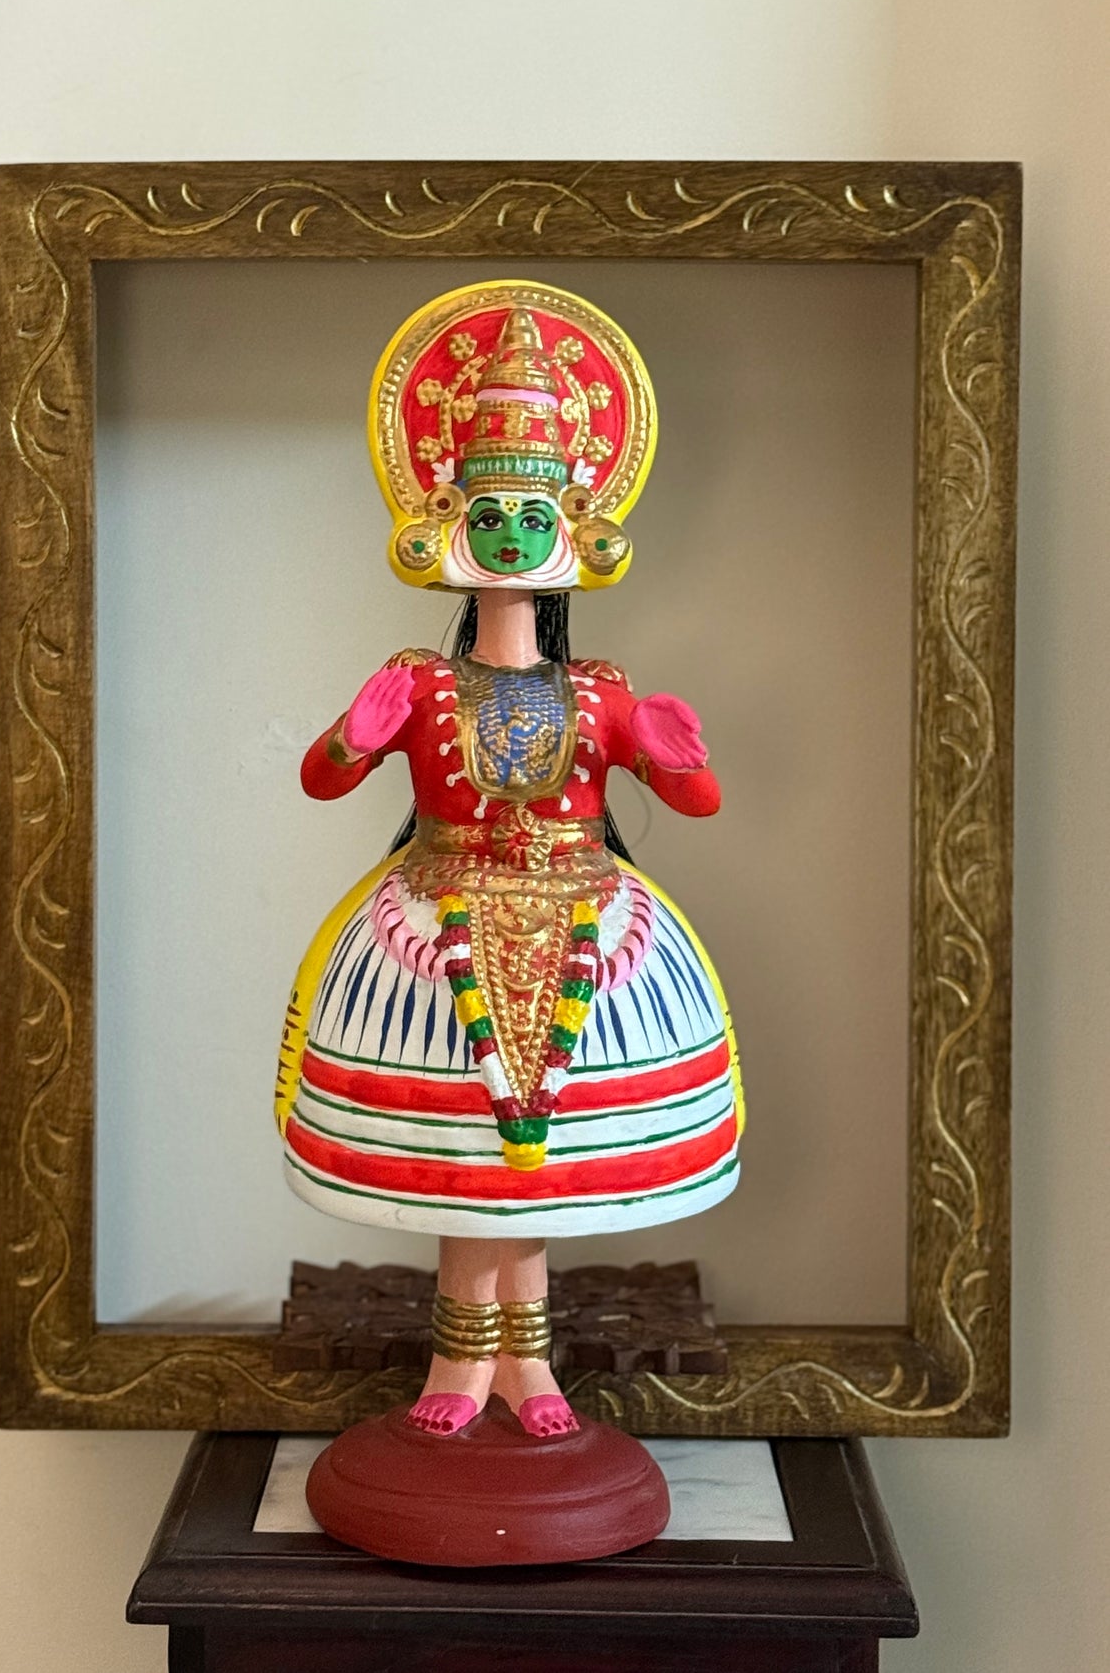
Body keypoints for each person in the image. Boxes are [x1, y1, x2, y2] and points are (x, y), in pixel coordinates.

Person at [276, 283, 742, 1438]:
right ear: (449, 529)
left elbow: (692, 793)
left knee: (531, 1175)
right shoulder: (422, 681)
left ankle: (527, 1366)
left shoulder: (597, 688)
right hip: (430, 930)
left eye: (532, 524)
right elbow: (322, 780)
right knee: (460, 1164)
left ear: (570, 541)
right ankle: (454, 1361)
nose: (511, 542)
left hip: (591, 929)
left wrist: (678, 761)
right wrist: (353, 731)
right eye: (493, 521)